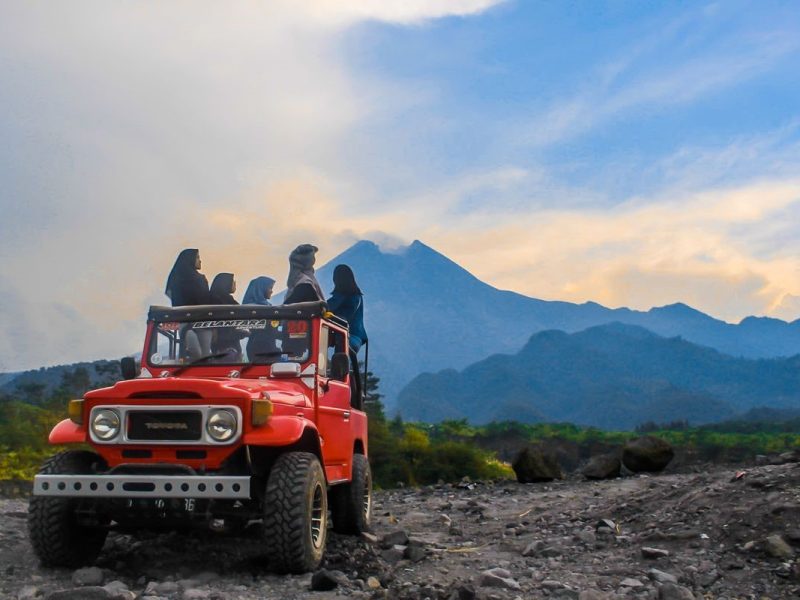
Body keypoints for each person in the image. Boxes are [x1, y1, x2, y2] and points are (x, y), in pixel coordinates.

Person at [326, 264, 368, 406]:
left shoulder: (353, 298)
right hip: (344, 336)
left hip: (353, 337)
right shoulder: (343, 296)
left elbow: (341, 316)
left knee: (341, 359)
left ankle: (350, 395)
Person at [209, 273, 244, 358]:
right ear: (226, 283)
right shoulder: (221, 301)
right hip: (225, 344)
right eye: (232, 282)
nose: (235, 284)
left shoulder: (225, 299)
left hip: (228, 341)